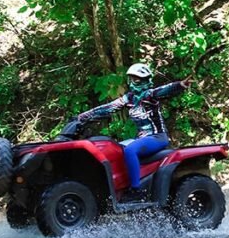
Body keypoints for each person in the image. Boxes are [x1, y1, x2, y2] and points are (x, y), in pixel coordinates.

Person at [77, 63, 191, 201]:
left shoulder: (149, 96)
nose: (133, 82)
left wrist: (180, 85)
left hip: (157, 137)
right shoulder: (130, 98)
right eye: (131, 78)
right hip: (141, 138)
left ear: (145, 80)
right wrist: (84, 116)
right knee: (115, 150)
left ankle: (137, 190)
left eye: (136, 79)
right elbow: (109, 107)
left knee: (130, 150)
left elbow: (163, 90)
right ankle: (120, 187)